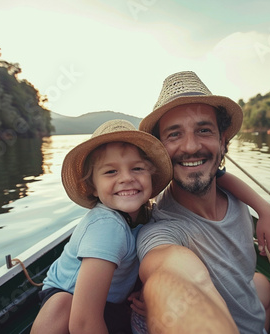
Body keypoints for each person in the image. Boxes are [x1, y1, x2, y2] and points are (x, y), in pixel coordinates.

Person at [136, 71, 270, 333]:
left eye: (203, 130)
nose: (191, 147)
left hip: (251, 314)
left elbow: (221, 176)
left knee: (262, 285)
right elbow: (167, 272)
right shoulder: (163, 231)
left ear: (222, 142)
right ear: (159, 150)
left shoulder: (237, 199)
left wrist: (265, 208)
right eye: (174, 134)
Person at [30, 119, 173, 334]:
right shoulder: (107, 227)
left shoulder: (146, 216)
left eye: (137, 168)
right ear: (93, 187)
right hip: (71, 300)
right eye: (110, 172)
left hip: (110, 302)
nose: (126, 178)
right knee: (62, 306)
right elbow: (84, 323)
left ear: (151, 177)